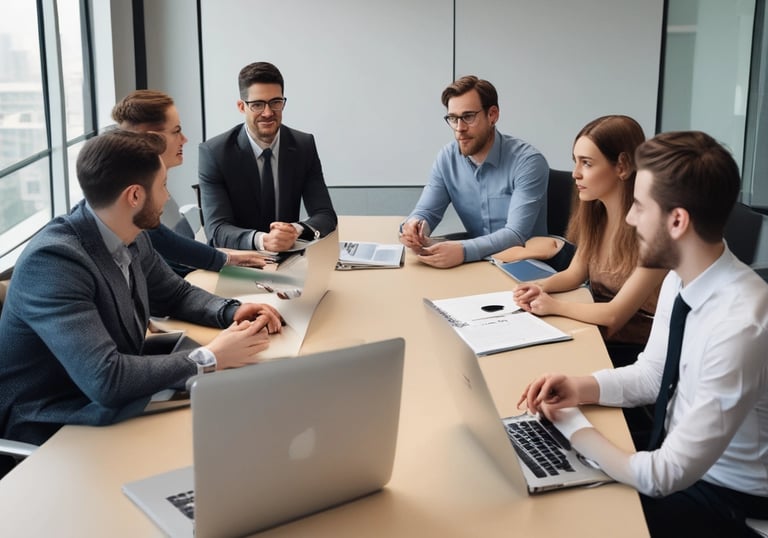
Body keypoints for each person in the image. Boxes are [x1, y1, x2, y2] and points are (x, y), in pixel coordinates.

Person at [519, 131, 768, 537]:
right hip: (681, 464)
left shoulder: (741, 326)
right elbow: (653, 374)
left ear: (677, 221)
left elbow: (663, 475)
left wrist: (571, 426)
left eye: (638, 205)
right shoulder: (683, 277)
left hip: (728, 499)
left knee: (566, 520)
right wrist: (579, 388)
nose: (630, 218)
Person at [0, 130, 284, 474]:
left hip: (112, 402)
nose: (167, 197)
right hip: (56, 427)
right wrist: (210, 357)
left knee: (237, 419)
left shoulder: (128, 231)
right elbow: (106, 379)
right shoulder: (56, 261)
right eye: (163, 185)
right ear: (135, 195)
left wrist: (230, 310)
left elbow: (174, 293)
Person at [513, 115, 666, 367]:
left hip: (637, 352)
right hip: (597, 332)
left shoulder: (654, 234)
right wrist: (540, 287)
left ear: (622, 166)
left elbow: (614, 315)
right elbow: (574, 274)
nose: (575, 174)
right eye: (576, 162)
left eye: (587, 163)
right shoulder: (597, 216)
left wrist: (553, 305)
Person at [112, 90, 269, 276]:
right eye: (176, 131)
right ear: (152, 138)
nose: (184, 139)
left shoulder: (138, 181)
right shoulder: (133, 196)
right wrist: (226, 259)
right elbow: (161, 241)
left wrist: (226, 258)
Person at [398, 75, 548, 269]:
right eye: (453, 118)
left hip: (524, 265)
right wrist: (415, 228)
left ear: (492, 115)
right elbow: (427, 212)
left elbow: (516, 234)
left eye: (468, 117)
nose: (459, 128)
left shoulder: (528, 162)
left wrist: (462, 250)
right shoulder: (447, 158)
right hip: (476, 263)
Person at [198, 61, 337, 252]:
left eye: (276, 103)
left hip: (288, 257)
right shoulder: (215, 153)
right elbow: (216, 229)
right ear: (241, 106)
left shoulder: (303, 145)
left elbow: (325, 215)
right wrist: (262, 240)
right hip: (239, 259)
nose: (268, 112)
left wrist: (294, 230)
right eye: (257, 105)